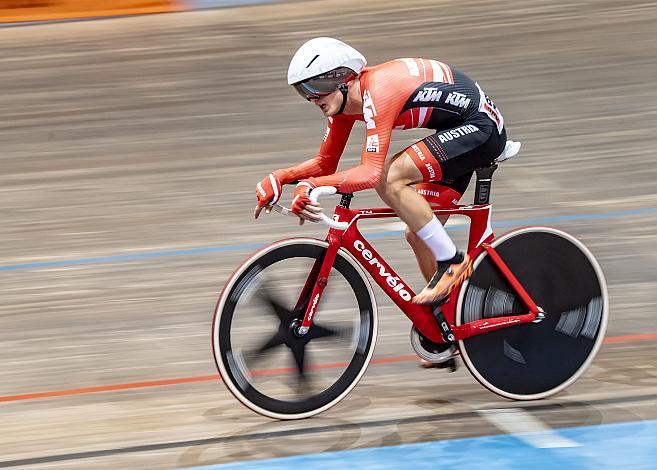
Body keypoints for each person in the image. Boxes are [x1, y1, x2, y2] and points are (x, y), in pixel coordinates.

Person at [255, 37, 506, 305]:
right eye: (303, 90)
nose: (311, 97)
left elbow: (371, 173)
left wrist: (312, 186)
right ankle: (453, 321)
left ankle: (453, 262)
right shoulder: (344, 105)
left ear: (342, 79)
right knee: (419, 233)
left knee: (390, 178)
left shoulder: (379, 90)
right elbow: (325, 163)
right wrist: (280, 177)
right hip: (456, 130)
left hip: (481, 128)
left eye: (315, 86)